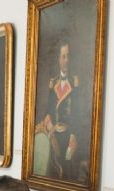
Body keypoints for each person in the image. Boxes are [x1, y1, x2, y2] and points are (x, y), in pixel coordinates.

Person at [35, 41, 81, 181]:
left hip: (69, 135)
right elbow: (48, 110)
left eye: (68, 56)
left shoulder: (75, 82)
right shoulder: (53, 82)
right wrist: (49, 125)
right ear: (58, 59)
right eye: (63, 57)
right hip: (54, 134)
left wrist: (73, 136)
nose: (66, 60)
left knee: (67, 172)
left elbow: (78, 113)